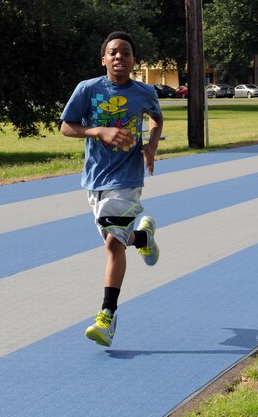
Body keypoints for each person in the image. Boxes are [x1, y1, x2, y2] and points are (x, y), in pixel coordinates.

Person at [60, 31, 164, 346]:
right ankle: (143, 238)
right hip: (94, 180)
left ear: (133, 60)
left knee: (111, 247)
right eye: (113, 52)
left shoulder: (144, 92)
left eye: (126, 53)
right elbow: (66, 126)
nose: (119, 57)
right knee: (115, 241)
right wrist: (99, 130)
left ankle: (107, 316)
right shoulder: (87, 89)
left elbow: (157, 119)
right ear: (104, 59)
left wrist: (151, 145)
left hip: (128, 179)